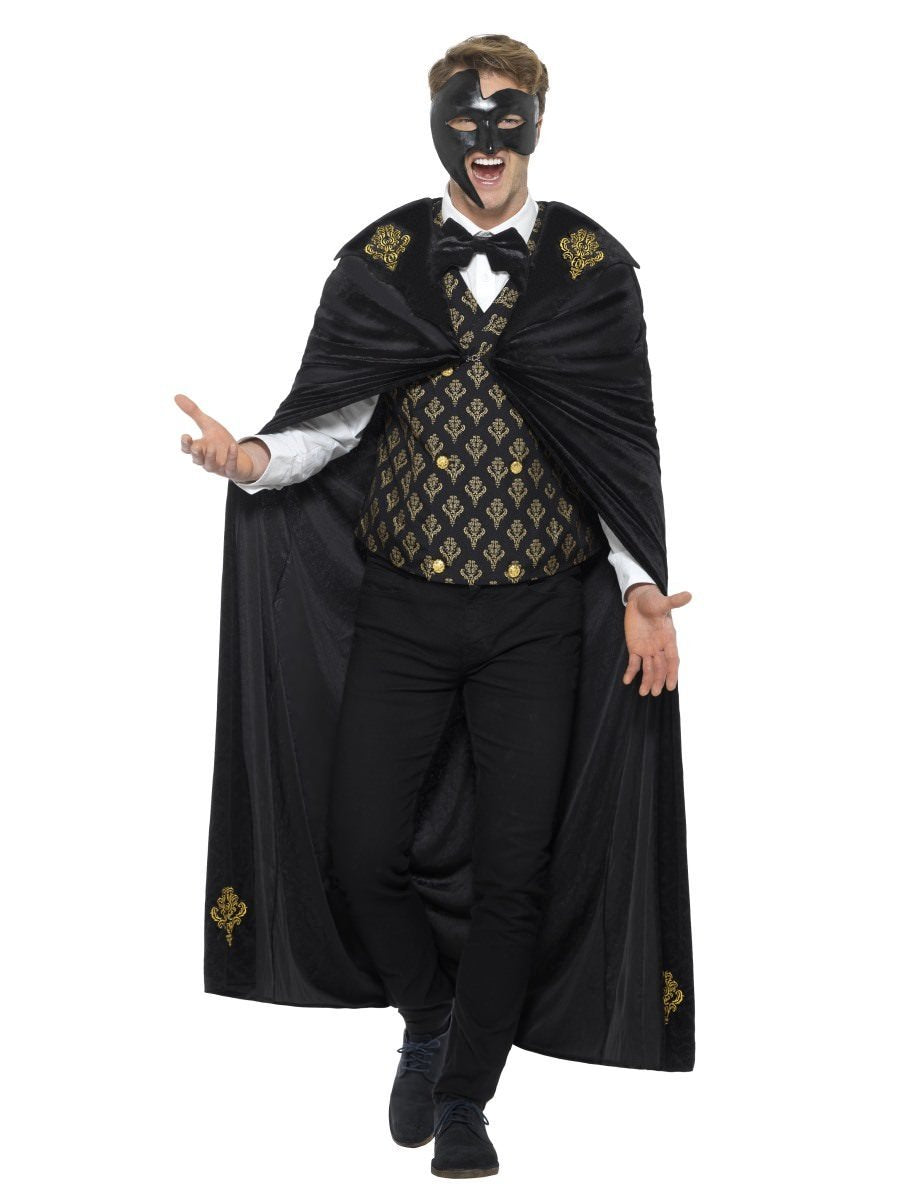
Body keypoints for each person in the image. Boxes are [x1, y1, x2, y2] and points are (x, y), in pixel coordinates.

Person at [178, 34, 695, 1180]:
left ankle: (465, 1096)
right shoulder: (384, 260)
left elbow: (619, 449)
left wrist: (640, 585)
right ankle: (427, 1013)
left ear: (539, 125)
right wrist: (248, 455)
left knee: (517, 871)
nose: (488, 139)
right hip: (405, 610)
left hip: (534, 620)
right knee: (360, 847)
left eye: (510, 116)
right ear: (439, 126)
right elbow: (329, 425)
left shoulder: (593, 270)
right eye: (468, 116)